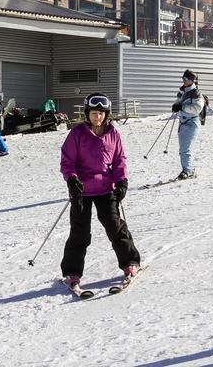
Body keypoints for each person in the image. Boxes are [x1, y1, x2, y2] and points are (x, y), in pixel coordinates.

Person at [59, 93, 140, 291]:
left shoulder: (113, 133)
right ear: (88, 114)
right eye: (94, 113)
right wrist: (72, 179)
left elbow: (119, 159)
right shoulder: (77, 133)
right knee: (80, 232)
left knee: (115, 226)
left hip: (105, 189)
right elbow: (67, 161)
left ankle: (130, 262)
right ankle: (72, 272)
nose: (98, 117)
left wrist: (122, 181)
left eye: (102, 114)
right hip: (82, 191)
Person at [172, 70, 204, 180]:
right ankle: (188, 169)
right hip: (182, 122)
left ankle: (188, 170)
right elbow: (178, 102)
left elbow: (197, 108)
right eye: (183, 79)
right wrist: (176, 106)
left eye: (185, 79)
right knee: (182, 149)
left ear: (191, 80)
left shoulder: (196, 93)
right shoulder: (182, 91)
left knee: (185, 149)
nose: (184, 81)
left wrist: (182, 108)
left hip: (192, 122)